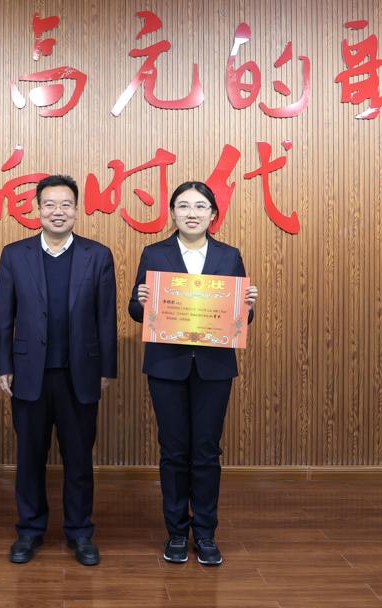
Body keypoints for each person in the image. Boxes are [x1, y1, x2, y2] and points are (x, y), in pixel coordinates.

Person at [128, 181, 258, 566]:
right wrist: (141, 301)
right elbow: (136, 311)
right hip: (167, 365)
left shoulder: (229, 255)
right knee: (173, 451)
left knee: (206, 450)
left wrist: (248, 306)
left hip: (213, 368)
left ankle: (205, 532)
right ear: (172, 213)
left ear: (213, 214)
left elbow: (239, 317)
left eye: (200, 207)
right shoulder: (155, 253)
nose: (192, 213)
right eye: (183, 206)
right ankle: (175, 532)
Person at [0, 174, 117, 566]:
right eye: (49, 204)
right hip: (29, 373)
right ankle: (29, 531)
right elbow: (4, 317)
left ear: (77, 210)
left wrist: (107, 368)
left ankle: (80, 532)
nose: (57, 211)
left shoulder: (98, 255)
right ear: (37, 209)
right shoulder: (15, 254)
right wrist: (3, 365)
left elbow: (106, 318)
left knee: (79, 459)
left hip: (80, 374)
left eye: (65, 204)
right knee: (30, 458)